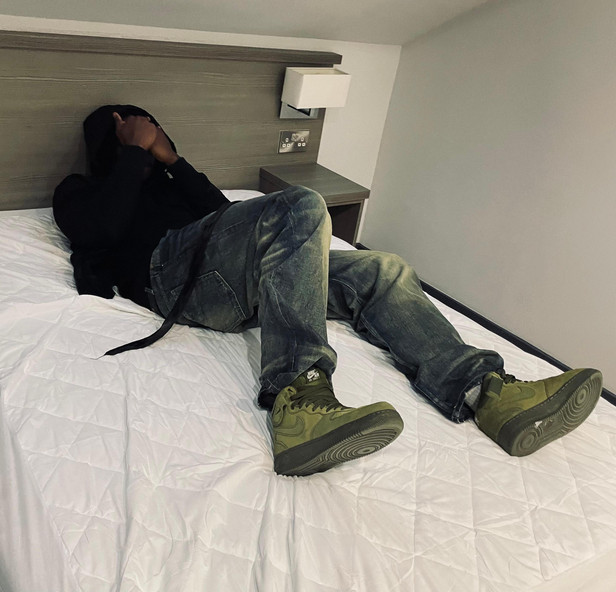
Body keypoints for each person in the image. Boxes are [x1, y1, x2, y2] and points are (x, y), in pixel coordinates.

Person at [53, 104, 603, 477]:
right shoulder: (77, 190)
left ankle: (486, 393)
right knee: (301, 203)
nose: (148, 139)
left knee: (379, 268)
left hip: (236, 277)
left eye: (151, 132)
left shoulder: (172, 181)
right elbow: (101, 230)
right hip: (172, 280)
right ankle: (298, 398)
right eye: (136, 134)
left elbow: (228, 217)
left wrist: (172, 162)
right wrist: (130, 155)